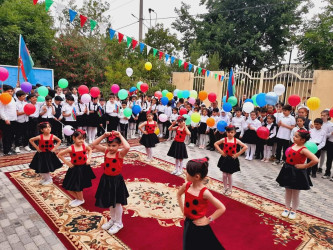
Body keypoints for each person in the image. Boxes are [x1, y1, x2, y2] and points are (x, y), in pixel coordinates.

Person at [177, 157, 226, 250]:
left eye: (187, 172)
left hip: (200, 226)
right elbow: (178, 194)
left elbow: (221, 208)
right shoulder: (186, 186)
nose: (185, 173)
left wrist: (209, 220)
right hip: (188, 223)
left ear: (196, 177)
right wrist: (183, 211)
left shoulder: (205, 193)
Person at [92, 131, 130, 235]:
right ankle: (113, 219)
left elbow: (127, 147)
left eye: (114, 146)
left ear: (119, 145)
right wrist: (104, 135)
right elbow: (94, 144)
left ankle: (119, 223)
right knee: (110, 202)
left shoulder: (120, 154)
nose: (111, 148)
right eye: (109, 145)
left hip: (116, 181)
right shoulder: (105, 151)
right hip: (106, 179)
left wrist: (120, 135)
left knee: (117, 203)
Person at [276, 130, 319, 219]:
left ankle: (294, 210)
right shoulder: (293, 145)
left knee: (295, 193)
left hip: (297, 172)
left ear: (303, 140)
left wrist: (305, 166)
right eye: (294, 136)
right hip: (288, 170)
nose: (293, 137)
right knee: (287, 190)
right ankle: (287, 208)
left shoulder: (304, 150)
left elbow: (315, 160)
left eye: (296, 136)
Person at [57, 130, 95, 207]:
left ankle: (80, 199)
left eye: (83, 139)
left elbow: (90, 149)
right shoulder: (71, 148)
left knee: (78, 186)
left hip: (83, 168)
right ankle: (79, 198)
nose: (82, 141)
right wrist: (67, 162)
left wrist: (89, 158)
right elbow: (59, 154)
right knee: (68, 186)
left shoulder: (84, 146)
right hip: (75, 169)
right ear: (73, 138)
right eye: (80, 138)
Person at [215, 125, 247, 195]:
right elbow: (216, 144)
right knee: (224, 174)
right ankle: (225, 187)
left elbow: (245, 147)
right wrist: (221, 151)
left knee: (229, 174)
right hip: (225, 158)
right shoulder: (224, 139)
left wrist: (237, 154)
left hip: (232, 159)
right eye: (228, 132)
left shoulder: (236, 140)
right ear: (226, 132)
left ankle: (230, 189)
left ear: (235, 133)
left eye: (232, 132)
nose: (230, 134)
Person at [0, 85, 17, 155]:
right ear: (4, 92)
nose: (10, 92)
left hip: (13, 120)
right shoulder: (2, 98)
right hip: (6, 120)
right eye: (8, 91)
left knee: (11, 135)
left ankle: (10, 148)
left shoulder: (12, 98)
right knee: (6, 136)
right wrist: (5, 119)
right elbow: (1, 110)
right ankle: (6, 150)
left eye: (11, 91)